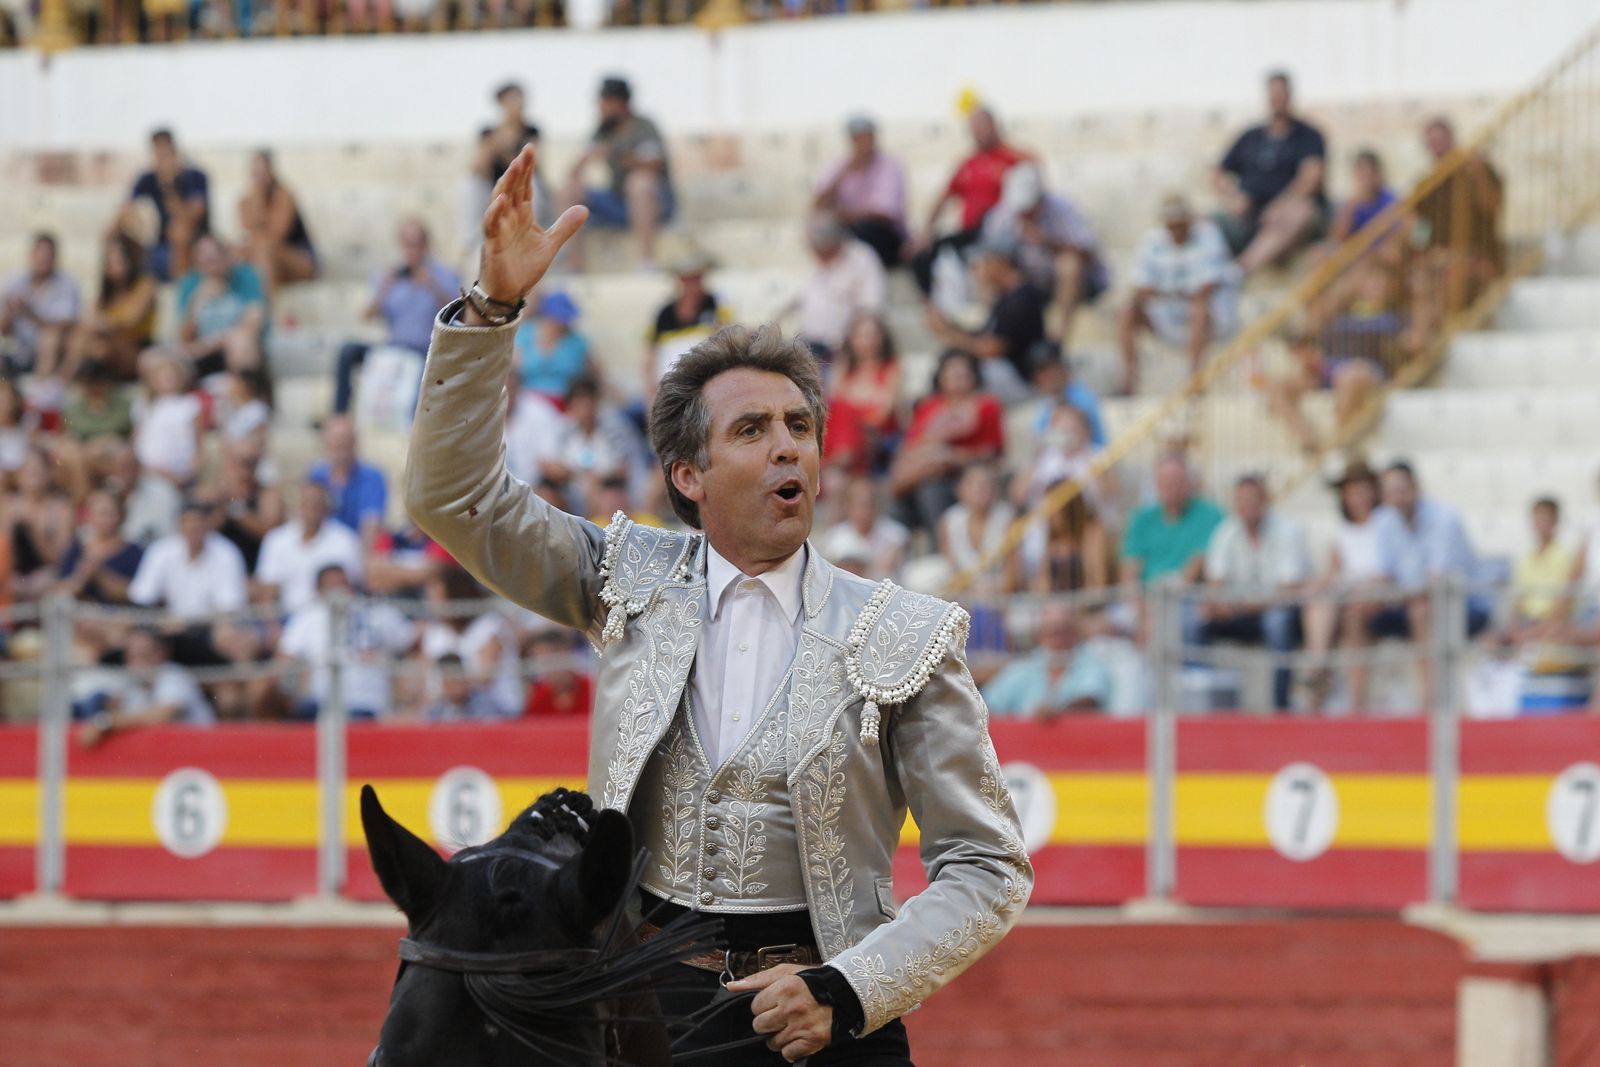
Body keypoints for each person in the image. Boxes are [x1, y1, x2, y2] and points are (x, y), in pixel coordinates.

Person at [403, 146, 1030, 1066]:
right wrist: (491, 312)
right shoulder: (622, 577)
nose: (788, 450)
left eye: (800, 428)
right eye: (753, 430)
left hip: (827, 1018)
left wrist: (849, 990)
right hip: (644, 1010)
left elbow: (987, 865)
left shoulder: (903, 634)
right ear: (688, 476)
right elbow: (450, 498)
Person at [1189, 475, 1311, 711]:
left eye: (1251, 500)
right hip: (1240, 613)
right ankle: (1201, 706)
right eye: (1241, 501)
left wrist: (1235, 605)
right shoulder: (1225, 532)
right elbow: (1216, 585)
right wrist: (1220, 604)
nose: (1246, 507)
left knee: (1277, 621)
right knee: (1195, 621)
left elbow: (1286, 593)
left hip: (1279, 613)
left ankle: (1280, 707)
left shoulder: (1289, 531)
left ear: (1265, 501)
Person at [1298, 460, 1405, 712]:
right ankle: (1318, 667)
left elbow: (1389, 571)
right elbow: (1333, 572)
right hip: (1349, 597)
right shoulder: (1342, 533)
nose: (1357, 498)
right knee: (1321, 601)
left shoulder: (1386, 522)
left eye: (1362, 490)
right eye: (1351, 492)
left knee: (1354, 617)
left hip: (1378, 598)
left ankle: (1355, 706)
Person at [333, 220, 461, 415]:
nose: (411, 250)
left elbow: (459, 314)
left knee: (419, 371)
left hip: (425, 350)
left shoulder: (443, 274)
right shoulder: (389, 276)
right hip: (394, 347)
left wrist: (432, 286)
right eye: (406, 244)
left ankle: (412, 422)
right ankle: (339, 415)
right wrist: (385, 287)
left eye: (415, 244)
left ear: (425, 245)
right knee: (348, 351)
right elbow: (367, 315)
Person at [1119, 195, 1240, 395]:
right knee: (1126, 310)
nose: (1176, 230)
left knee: (1198, 306)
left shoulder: (1208, 234)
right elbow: (1139, 286)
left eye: (1180, 224)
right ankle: (1128, 381)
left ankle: (1194, 377)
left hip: (1211, 319)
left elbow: (1206, 287)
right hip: (1167, 315)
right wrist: (1176, 293)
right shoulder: (1152, 240)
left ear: (1189, 221)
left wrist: (1163, 291)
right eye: (1171, 225)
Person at [979, 163, 1107, 346]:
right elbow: (989, 257)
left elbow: (1089, 254)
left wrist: (1047, 243)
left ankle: (1060, 339)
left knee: (1069, 264)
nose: (1024, 214)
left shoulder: (1064, 209)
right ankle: (998, 333)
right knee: (986, 269)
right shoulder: (1001, 215)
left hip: (1074, 285)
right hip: (1028, 285)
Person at [911, 105, 1032, 297]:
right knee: (922, 257)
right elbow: (944, 197)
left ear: (995, 125)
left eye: (982, 126)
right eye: (974, 128)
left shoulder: (1016, 159)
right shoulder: (968, 163)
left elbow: (1032, 198)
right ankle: (937, 310)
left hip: (1003, 232)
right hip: (970, 232)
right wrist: (926, 231)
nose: (978, 132)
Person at [1214, 71, 1328, 274]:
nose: (1277, 99)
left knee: (1298, 213)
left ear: (1290, 96)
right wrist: (1234, 197)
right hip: (1250, 215)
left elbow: (1311, 178)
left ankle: (1241, 270)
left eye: (1281, 93)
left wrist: (1282, 203)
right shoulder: (1250, 136)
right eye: (1273, 94)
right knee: (1204, 223)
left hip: (1289, 214)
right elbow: (1217, 172)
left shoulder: (1308, 136)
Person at [888, 349, 1005, 535]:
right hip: (921, 475)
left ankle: (940, 549)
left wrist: (948, 458)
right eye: (951, 370)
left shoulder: (986, 405)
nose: (957, 376)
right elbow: (909, 446)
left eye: (963, 370)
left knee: (931, 490)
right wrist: (927, 463)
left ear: (974, 375)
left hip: (960, 477)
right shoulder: (928, 407)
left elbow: (992, 453)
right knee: (898, 506)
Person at [278, 563, 415, 721]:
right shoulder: (306, 618)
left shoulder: (378, 613)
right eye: (333, 585)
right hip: (322, 705)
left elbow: (410, 641)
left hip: (371, 706)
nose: (340, 590)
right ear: (318, 589)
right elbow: (287, 658)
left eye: (343, 584)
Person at [563, 76, 674, 268]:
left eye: (605, 102)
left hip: (656, 203)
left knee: (639, 183)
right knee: (569, 190)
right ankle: (574, 266)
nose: (601, 107)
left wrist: (615, 154)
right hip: (618, 202)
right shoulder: (602, 131)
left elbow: (653, 164)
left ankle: (646, 262)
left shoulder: (643, 126)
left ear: (620, 103)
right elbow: (572, 173)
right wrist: (584, 160)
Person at [924, 237, 1045, 404]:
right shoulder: (1007, 297)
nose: (981, 268)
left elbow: (991, 349)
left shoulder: (1021, 301)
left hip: (1023, 381)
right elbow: (984, 334)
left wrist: (947, 332)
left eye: (986, 262)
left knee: (963, 371)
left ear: (1001, 263)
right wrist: (948, 326)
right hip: (1008, 375)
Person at [75, 628, 214, 747]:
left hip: (204, 753)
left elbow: (161, 715)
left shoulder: (174, 675)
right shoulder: (134, 687)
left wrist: (105, 723)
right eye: (133, 657)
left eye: (144, 655)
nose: (138, 664)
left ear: (161, 654)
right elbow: (129, 717)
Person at [982, 602, 1112, 718]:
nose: (1058, 640)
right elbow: (987, 704)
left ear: (1074, 633)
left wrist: (1056, 714)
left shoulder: (1091, 665)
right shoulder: (1022, 668)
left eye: (1063, 631)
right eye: (1051, 632)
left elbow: (1090, 699)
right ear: (1040, 636)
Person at [253, 480, 364, 614]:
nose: (310, 509)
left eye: (316, 503)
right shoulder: (276, 540)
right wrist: (274, 628)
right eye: (306, 503)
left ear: (327, 507)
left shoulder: (345, 541)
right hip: (286, 618)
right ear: (297, 506)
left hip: (331, 617)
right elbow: (267, 592)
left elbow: (352, 587)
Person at [812, 116, 907, 269]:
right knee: (822, 230)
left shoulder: (889, 165)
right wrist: (844, 174)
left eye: (867, 137)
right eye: (858, 138)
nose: (863, 143)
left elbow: (884, 213)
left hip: (884, 235)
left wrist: (845, 216)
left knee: (862, 231)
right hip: (851, 229)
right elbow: (817, 206)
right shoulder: (840, 166)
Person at [1120, 453, 1224, 588]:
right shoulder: (1141, 519)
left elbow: (1199, 563)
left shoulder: (1211, 515)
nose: (1172, 487)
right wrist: (1138, 605)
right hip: (1146, 597)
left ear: (1188, 482)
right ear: (1157, 484)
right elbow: (1130, 569)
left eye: (1176, 480)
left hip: (1190, 597)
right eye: (1166, 481)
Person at [63, 233, 157, 383]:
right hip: (107, 351)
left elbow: (131, 320)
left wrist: (104, 323)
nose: (113, 264)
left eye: (117, 259)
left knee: (92, 338)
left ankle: (63, 379)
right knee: (97, 347)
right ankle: (69, 381)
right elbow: (89, 320)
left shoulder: (145, 286)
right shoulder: (104, 295)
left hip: (135, 351)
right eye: (109, 261)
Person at [169, 234, 267, 377]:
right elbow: (185, 337)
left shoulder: (246, 275)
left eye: (216, 257)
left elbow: (252, 324)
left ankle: (245, 392)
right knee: (155, 360)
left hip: (232, 346)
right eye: (206, 260)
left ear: (226, 256)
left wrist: (208, 346)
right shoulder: (189, 284)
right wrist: (197, 301)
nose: (212, 265)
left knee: (240, 342)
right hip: (201, 351)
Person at [122, 128, 211, 282]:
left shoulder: (195, 176)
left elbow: (192, 218)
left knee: (179, 231)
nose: (162, 159)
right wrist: (137, 224)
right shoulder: (148, 177)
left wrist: (169, 187)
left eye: (165, 153)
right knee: (116, 231)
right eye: (158, 153)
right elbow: (127, 207)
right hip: (159, 248)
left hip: (195, 244)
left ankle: (181, 292)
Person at [644, 248, 731, 402]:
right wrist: (650, 395)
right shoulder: (662, 313)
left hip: (705, 386)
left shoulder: (718, 305)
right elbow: (649, 356)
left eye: (697, 278)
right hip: (668, 390)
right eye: (689, 279)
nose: (694, 285)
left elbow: (726, 342)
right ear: (680, 280)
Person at [795, 212, 886, 358]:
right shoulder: (815, 263)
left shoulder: (862, 258)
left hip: (845, 350)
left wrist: (852, 343)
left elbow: (870, 306)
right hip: (809, 344)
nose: (817, 255)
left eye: (822, 250)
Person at [823, 312, 901, 476]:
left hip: (878, 435)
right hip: (848, 436)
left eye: (873, 334)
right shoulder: (844, 369)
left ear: (882, 337)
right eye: (862, 335)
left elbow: (884, 414)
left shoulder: (890, 368)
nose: (868, 341)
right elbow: (834, 406)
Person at [237, 149, 317, 299]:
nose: (258, 177)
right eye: (255, 172)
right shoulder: (245, 201)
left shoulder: (285, 195)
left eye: (262, 171)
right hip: (267, 260)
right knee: (235, 253)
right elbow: (248, 232)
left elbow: (277, 235)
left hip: (299, 259)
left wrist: (258, 202)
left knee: (264, 250)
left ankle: (267, 312)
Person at [1, 233, 81, 379]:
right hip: (21, 352)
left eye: (48, 254)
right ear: (31, 255)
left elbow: (64, 325)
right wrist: (8, 313)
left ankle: (41, 392)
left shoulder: (66, 285)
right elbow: (4, 330)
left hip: (53, 354)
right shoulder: (15, 282)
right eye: (40, 253)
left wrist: (30, 313)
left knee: (50, 338)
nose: (43, 259)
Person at [307, 415, 388, 549]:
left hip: (353, 551)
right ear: (326, 443)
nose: (340, 446)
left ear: (355, 443)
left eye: (345, 440)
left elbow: (371, 525)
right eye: (335, 440)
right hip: (319, 549)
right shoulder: (316, 474)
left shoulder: (372, 477)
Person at [938, 463, 1015, 598]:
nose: (980, 489)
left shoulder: (1007, 519)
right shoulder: (949, 520)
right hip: (962, 595)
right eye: (972, 484)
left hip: (999, 595)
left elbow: (1013, 575)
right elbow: (950, 568)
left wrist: (990, 591)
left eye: (986, 484)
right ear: (960, 489)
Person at [55, 489, 143, 605]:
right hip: (81, 617)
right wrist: (81, 577)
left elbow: (138, 593)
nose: (106, 520)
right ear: (90, 516)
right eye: (101, 514)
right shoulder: (77, 548)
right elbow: (60, 588)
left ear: (121, 515)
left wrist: (101, 575)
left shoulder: (134, 552)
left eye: (111, 514)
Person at [818, 475, 909, 581]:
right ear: (849, 506)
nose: (867, 509)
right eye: (861, 503)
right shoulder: (834, 539)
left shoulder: (896, 535)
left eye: (871, 502)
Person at [132, 353, 203, 487]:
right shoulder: (146, 405)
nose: (168, 380)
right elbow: (136, 438)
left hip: (181, 473)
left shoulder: (190, 404)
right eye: (163, 377)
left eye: (172, 377)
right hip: (147, 471)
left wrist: (192, 471)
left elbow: (199, 442)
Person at [512, 290, 590, 399]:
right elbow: (513, 370)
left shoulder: (577, 341)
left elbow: (590, 373)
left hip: (565, 400)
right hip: (527, 399)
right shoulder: (525, 334)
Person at [1329, 149, 1398, 246]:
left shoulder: (1390, 201)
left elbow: (1399, 231)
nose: (1367, 179)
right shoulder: (1349, 205)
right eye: (1362, 173)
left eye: (1371, 173)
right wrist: (1350, 208)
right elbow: (1337, 239)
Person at [520, 630, 595, 718]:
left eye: (550, 661)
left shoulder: (592, 690)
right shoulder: (538, 696)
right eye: (541, 663)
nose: (547, 670)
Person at [424, 652, 507, 722]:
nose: (451, 684)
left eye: (454, 677)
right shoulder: (438, 709)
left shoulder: (485, 705)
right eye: (446, 679)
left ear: (465, 677)